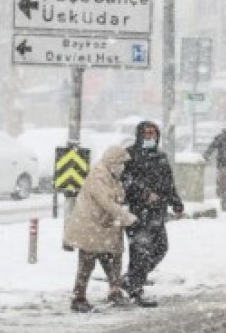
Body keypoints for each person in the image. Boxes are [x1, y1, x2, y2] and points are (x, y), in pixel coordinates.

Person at [64, 145, 138, 313]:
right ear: (112, 162)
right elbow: (106, 203)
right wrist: (127, 217)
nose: (123, 167)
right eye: (121, 163)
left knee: (113, 258)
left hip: (104, 227)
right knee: (87, 263)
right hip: (90, 227)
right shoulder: (99, 176)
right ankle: (78, 298)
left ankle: (115, 291)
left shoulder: (112, 176)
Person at [121, 121, 185, 307]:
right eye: (146, 133)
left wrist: (176, 204)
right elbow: (126, 181)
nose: (150, 137)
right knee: (140, 251)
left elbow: (168, 184)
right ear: (139, 134)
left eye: (153, 133)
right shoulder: (130, 155)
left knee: (160, 248)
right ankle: (135, 289)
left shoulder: (160, 157)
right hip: (137, 212)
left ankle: (131, 279)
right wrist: (144, 194)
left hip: (157, 213)